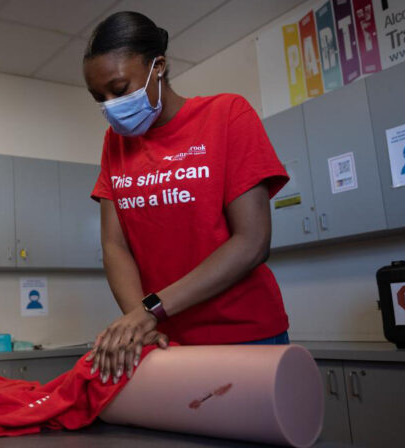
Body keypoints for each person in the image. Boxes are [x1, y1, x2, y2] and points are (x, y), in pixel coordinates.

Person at [84, 12, 291, 384]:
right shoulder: (115, 144)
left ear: (158, 67)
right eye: (100, 97)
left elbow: (252, 241)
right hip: (165, 341)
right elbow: (115, 246)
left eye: (119, 88)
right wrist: (140, 323)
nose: (111, 105)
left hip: (244, 335)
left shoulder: (227, 114)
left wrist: (150, 310)